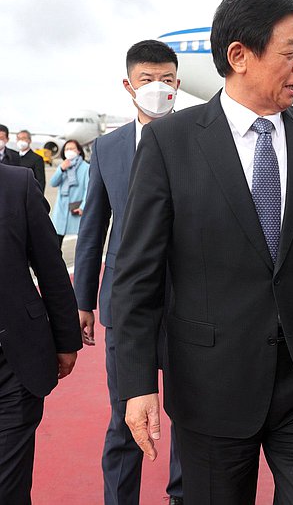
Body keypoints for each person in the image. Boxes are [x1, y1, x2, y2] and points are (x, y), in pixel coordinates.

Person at [111, 0, 293, 504]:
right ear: (239, 56)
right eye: (290, 51)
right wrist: (136, 384)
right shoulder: (170, 142)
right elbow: (137, 276)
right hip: (211, 384)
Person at [73, 40, 184, 505]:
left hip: (189, 303)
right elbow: (93, 228)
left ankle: (184, 495)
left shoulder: (196, 138)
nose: (158, 89)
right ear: (129, 85)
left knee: (193, 417)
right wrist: (83, 300)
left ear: (178, 85)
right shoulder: (109, 148)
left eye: (166, 80)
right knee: (124, 418)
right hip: (125, 306)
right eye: (147, 80)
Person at [0, 163, 81, 504]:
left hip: (12, 364)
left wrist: (65, 342)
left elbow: (50, 266)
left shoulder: (17, 184)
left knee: (8, 487)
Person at [49, 140, 89, 246]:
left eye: (72, 149)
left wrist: (83, 207)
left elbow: (87, 189)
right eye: (67, 149)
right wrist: (61, 169)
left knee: (81, 242)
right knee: (56, 241)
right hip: (61, 209)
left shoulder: (86, 167)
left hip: (75, 209)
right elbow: (53, 183)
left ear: (79, 151)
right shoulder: (63, 166)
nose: (69, 151)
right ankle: (56, 263)